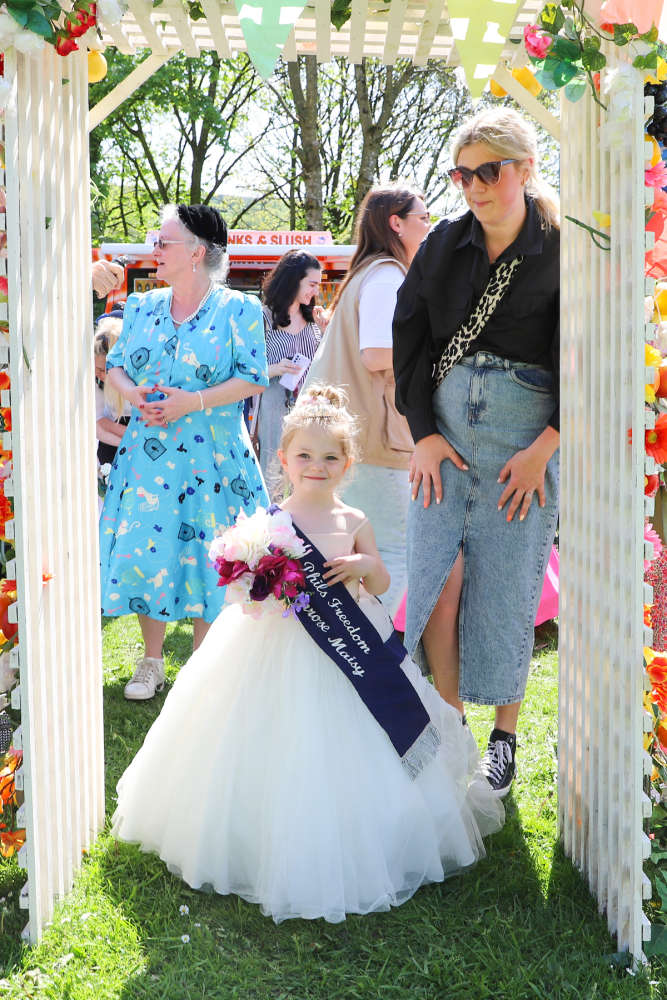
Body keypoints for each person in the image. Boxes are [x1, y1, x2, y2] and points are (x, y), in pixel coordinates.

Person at [111, 385, 504, 923]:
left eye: (330, 457)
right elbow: (242, 593)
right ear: (284, 459)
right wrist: (255, 579)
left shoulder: (356, 520)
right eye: (304, 455)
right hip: (269, 651)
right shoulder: (266, 522)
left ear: (348, 463)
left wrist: (365, 569)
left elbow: (384, 581)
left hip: (349, 654)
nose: (316, 466)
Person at [393, 108, 560, 798]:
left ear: (522, 169)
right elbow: (409, 336)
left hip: (524, 443)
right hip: (445, 438)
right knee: (435, 573)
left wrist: (543, 449)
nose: (473, 187)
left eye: (487, 172)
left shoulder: (561, 247)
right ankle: (451, 726)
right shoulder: (442, 245)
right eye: (462, 175)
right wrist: (422, 434)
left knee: (508, 581)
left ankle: (504, 737)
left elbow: (582, 358)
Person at [100, 203, 269, 701]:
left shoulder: (240, 309)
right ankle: (151, 661)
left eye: (163, 242)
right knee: (147, 555)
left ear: (196, 252)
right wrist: (133, 395)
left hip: (212, 458)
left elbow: (252, 378)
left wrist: (190, 402)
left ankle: (201, 667)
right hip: (148, 456)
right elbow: (114, 366)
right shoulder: (141, 306)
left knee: (207, 555)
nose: (154, 249)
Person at [304, 185, 431, 614]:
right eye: (422, 218)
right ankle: (370, 661)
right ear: (396, 223)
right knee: (391, 555)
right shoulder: (387, 276)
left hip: (349, 435)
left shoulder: (368, 274)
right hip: (374, 439)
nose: (428, 227)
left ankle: (348, 660)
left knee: (352, 554)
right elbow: (377, 354)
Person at [254, 249, 327, 478]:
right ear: (293, 281)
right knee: (274, 474)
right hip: (273, 409)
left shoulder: (314, 321)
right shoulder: (262, 317)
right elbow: (243, 371)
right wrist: (275, 369)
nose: (316, 290)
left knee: (308, 474)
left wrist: (326, 333)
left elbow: (325, 370)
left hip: (309, 411)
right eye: (312, 284)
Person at [94, 314, 131, 468]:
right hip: (112, 441)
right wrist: (130, 441)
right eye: (96, 369)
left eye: (104, 370)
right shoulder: (95, 381)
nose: (99, 374)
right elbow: (99, 424)